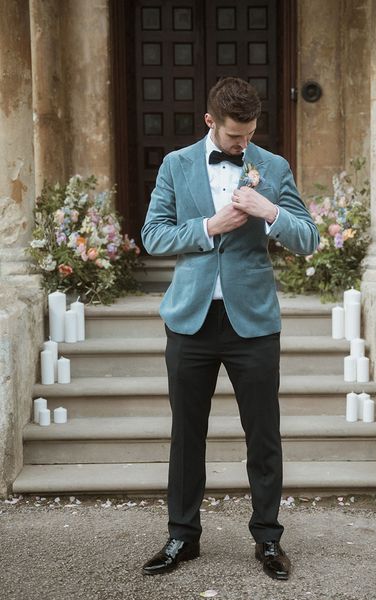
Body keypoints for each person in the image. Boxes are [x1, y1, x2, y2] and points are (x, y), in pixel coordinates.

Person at [141, 77, 319, 580]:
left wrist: (272, 213)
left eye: (249, 135)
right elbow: (153, 234)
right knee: (186, 435)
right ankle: (182, 537)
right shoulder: (176, 165)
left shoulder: (275, 167)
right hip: (191, 321)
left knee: (263, 435)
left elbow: (309, 239)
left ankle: (268, 540)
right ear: (210, 122)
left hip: (254, 325)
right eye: (234, 137)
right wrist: (207, 228)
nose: (243, 146)